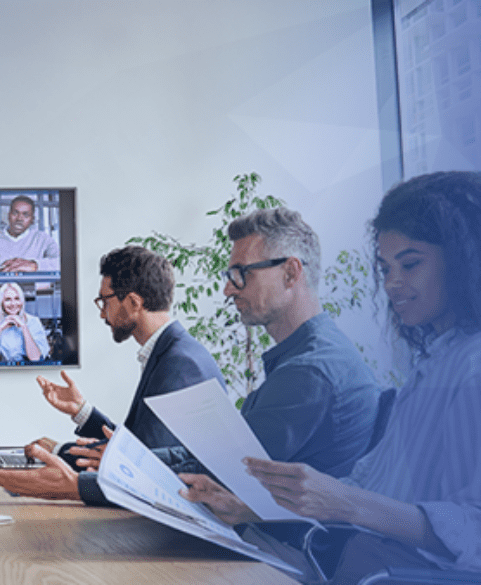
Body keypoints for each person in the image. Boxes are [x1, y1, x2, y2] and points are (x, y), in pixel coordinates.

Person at [180, 171, 481, 582]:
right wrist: (252, 507)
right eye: (385, 267)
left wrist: (344, 503)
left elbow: (472, 530)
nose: (392, 284)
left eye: (409, 264)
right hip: (348, 559)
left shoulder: (469, 369)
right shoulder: (435, 363)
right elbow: (367, 485)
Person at [155, 207, 381, 478]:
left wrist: (129, 464)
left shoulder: (310, 371)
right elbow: (223, 452)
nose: (228, 289)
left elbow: (226, 470)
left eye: (241, 273)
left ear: (290, 273)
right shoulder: (311, 354)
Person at [0, 246, 226, 504]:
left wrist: (60, 453)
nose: (102, 313)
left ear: (134, 303)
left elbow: (141, 469)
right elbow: (137, 450)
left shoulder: (180, 364)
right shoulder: (172, 351)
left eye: (105, 301)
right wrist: (81, 411)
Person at [0, 195, 60, 273]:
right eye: (15, 213)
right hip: (0, 287)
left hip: (33, 288)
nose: (19, 218)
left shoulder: (43, 239)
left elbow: (62, 263)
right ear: (8, 215)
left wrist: (34, 265)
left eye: (26, 215)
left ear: (32, 219)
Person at [0, 282, 50, 362]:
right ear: (1, 303)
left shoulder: (33, 321)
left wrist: (24, 327)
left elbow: (35, 358)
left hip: (28, 371)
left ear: (22, 301)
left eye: (17, 299)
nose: (13, 304)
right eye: (8, 299)